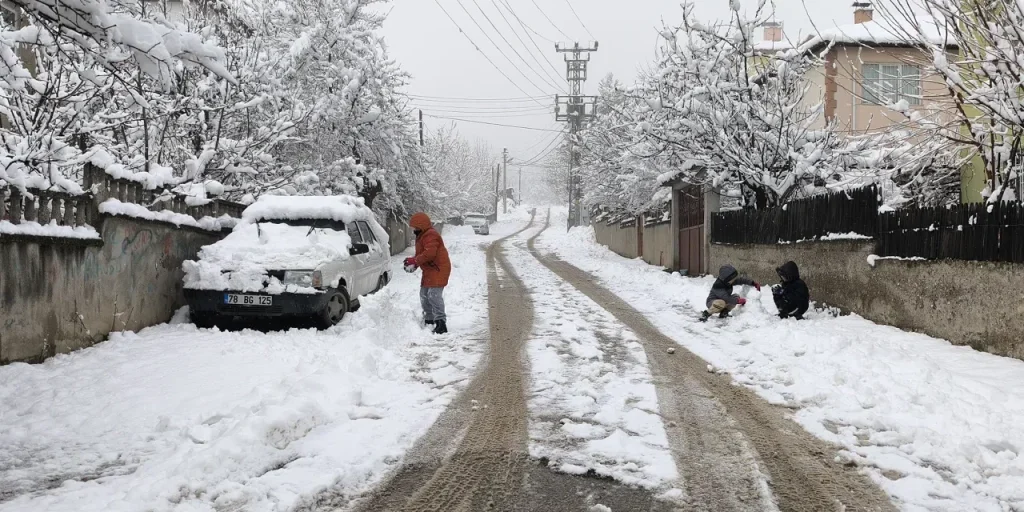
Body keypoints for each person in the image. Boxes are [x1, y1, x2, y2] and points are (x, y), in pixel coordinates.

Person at [404, 213, 452, 334]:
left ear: (421, 225)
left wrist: (415, 261)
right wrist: (414, 264)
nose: (414, 229)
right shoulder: (421, 236)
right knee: (424, 295)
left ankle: (441, 323)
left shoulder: (431, 235)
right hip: (429, 270)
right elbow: (422, 254)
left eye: (416, 227)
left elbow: (430, 253)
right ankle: (429, 319)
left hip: (439, 269)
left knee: (433, 295)